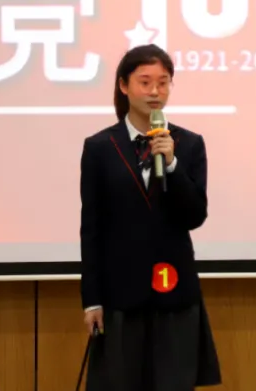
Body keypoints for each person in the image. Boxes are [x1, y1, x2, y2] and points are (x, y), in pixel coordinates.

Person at [80, 44, 222, 391]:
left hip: (174, 292)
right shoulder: (100, 147)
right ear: (124, 86)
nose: (155, 91)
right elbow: (92, 228)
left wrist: (171, 165)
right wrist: (92, 299)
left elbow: (194, 215)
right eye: (145, 82)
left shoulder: (188, 144)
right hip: (120, 293)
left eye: (163, 82)